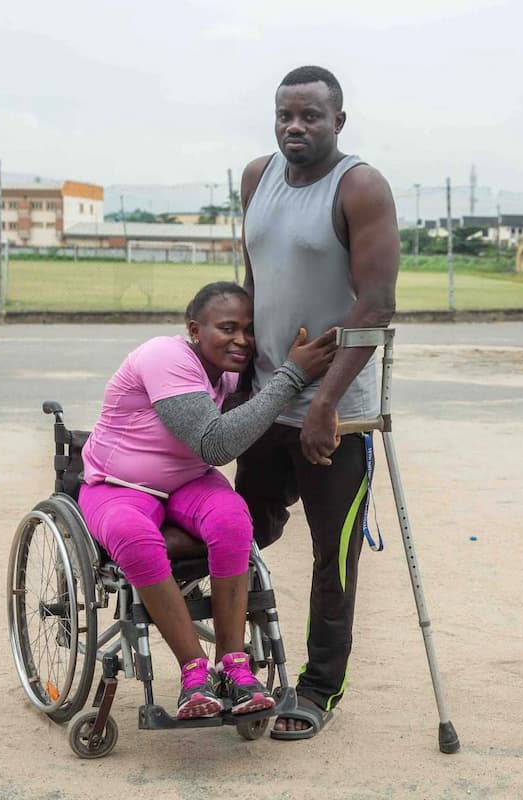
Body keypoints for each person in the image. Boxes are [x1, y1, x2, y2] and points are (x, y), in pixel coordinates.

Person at [78, 281, 337, 720]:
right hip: (120, 484)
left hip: (187, 481)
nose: (242, 340)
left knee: (235, 521)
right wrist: (292, 374)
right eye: (228, 328)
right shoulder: (165, 356)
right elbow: (215, 445)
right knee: (132, 534)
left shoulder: (231, 370)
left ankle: (236, 668)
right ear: (195, 329)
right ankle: (194, 673)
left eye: (250, 330)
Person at [235, 65, 400, 740]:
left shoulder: (359, 186)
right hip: (266, 399)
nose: (294, 127)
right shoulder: (255, 177)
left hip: (338, 411)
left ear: (338, 121)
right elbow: (252, 280)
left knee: (332, 558)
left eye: (310, 116)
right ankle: (235, 670)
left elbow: (378, 305)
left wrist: (327, 401)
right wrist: (233, 376)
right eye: (284, 116)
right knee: (239, 532)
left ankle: (318, 689)